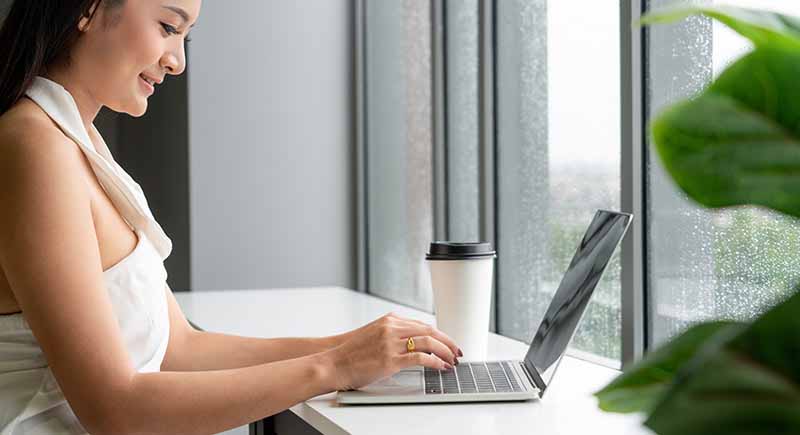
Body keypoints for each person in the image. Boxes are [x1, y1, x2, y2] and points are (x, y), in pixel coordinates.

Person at [0, 1, 461, 433]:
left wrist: (349, 348)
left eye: (186, 38)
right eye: (167, 27)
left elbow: (181, 349)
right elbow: (113, 408)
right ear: (89, 9)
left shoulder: (78, 144)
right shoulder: (34, 147)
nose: (176, 61)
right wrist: (335, 367)